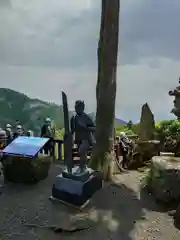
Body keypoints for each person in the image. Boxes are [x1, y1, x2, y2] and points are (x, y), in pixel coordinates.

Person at [70, 100, 96, 172]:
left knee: (82, 151)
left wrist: (85, 127)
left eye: (78, 107)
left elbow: (94, 128)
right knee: (81, 153)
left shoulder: (86, 117)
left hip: (86, 138)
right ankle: (82, 167)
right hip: (78, 139)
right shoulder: (73, 118)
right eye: (75, 107)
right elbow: (72, 130)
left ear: (82, 108)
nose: (76, 109)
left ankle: (82, 168)